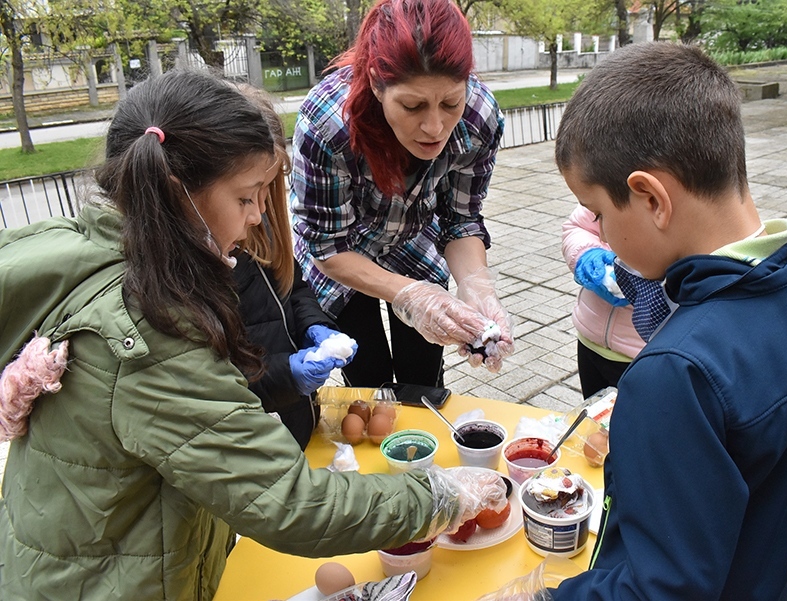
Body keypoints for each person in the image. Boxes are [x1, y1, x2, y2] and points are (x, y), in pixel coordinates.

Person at [0, 69, 507, 600]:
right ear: (177, 195)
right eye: (246, 199)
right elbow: (292, 504)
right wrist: (440, 498)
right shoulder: (149, 335)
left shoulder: (95, 250)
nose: (257, 218)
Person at [548, 43, 787, 600]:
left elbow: (659, 588)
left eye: (598, 213)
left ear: (650, 198)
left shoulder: (674, 373)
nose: (601, 234)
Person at [290, 0, 514, 388]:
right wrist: (409, 295)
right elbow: (327, 246)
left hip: (413, 240)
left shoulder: (478, 118)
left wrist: (477, 287)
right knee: (367, 373)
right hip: (344, 254)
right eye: (412, 106)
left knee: (423, 374)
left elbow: (461, 221)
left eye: (450, 102)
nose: (435, 127)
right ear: (377, 83)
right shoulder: (328, 124)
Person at [232, 84, 354, 450]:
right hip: (253, 441)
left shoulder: (259, 221)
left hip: (295, 420)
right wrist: (285, 375)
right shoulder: (192, 270)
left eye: (268, 190)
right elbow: (211, 386)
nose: (260, 212)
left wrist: (316, 326)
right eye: (245, 196)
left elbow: (293, 286)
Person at [561, 204, 645, 397]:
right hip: (590, 341)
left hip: (642, 358)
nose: (604, 235)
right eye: (599, 215)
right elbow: (578, 226)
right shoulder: (612, 177)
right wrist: (586, 254)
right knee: (593, 420)